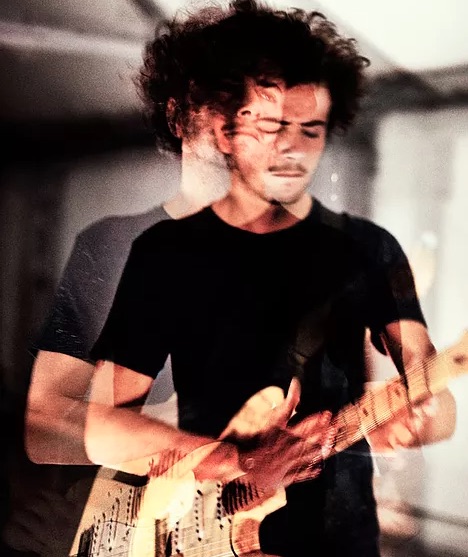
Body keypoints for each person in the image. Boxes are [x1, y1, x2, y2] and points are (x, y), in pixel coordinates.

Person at [24, 1, 457, 556]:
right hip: (189, 527)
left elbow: (424, 394)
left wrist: (414, 418)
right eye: (262, 119)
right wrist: (225, 455)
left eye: (305, 125)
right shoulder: (128, 247)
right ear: (191, 116)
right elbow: (62, 427)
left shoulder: (362, 249)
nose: (286, 143)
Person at [1, 12, 234, 557]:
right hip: (90, 536)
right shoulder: (113, 245)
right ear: (177, 114)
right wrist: (184, 439)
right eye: (218, 97)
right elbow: (43, 427)